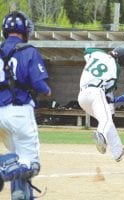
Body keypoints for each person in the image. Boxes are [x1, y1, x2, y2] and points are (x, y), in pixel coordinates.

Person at [0, 11, 51, 199]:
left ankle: (20, 194)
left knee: (18, 160)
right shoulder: (28, 50)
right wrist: (47, 91)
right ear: (24, 30)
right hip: (19, 112)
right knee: (31, 164)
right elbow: (39, 83)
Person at [78, 47, 124, 162]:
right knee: (106, 119)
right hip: (96, 92)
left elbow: (87, 51)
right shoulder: (115, 67)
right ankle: (100, 134)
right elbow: (109, 88)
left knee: (107, 122)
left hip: (82, 96)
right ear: (120, 60)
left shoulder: (97, 53)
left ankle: (118, 152)